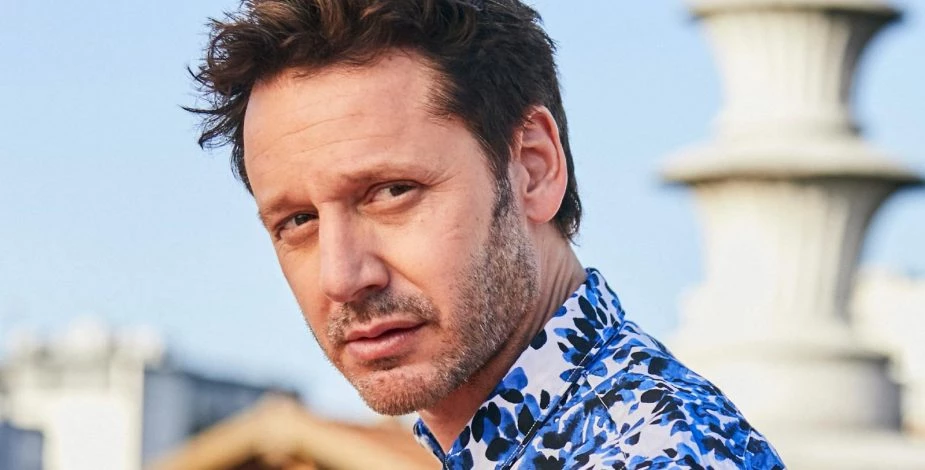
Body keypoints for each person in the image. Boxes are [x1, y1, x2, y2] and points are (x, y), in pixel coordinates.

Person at [188, 0, 785, 468]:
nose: (342, 277)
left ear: (532, 169)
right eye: (298, 221)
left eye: (392, 191)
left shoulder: (653, 455)